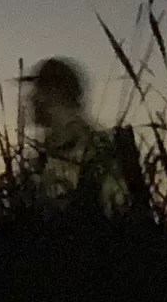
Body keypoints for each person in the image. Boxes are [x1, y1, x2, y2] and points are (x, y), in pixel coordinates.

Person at [21, 57, 134, 219]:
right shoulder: (45, 156)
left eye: (37, 90)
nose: (30, 98)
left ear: (55, 93)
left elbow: (119, 215)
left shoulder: (96, 150)